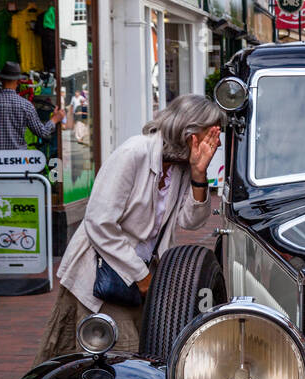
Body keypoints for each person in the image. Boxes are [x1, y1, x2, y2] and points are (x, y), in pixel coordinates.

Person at [34, 95, 225, 363]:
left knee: (130, 358)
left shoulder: (182, 168)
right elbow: (99, 222)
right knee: (121, 360)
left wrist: (199, 174)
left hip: (139, 279)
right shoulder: (134, 152)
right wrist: (140, 275)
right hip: (103, 275)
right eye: (210, 135)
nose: (213, 144)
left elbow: (190, 221)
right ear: (188, 131)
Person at [0, 61, 64, 151]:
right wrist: (55, 119)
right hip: (18, 160)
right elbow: (42, 132)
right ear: (18, 81)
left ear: (1, 80)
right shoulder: (26, 105)